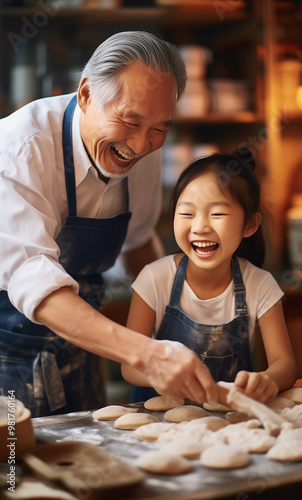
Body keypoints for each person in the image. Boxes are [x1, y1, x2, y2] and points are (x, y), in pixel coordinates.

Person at [0, 31, 218, 417]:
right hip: (7, 358)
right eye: (129, 121)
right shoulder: (19, 149)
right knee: (15, 474)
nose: (138, 146)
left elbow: (137, 244)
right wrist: (147, 353)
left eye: (158, 128)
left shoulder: (144, 150)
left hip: (84, 350)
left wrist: (185, 325)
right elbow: (32, 278)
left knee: (87, 462)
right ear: (85, 95)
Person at [122, 149, 298, 403]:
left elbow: (285, 364)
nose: (200, 227)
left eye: (217, 214)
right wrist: (165, 374)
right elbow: (130, 366)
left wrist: (268, 380)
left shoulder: (259, 284)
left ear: (249, 224)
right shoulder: (154, 279)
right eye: (187, 214)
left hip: (228, 417)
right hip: (158, 418)